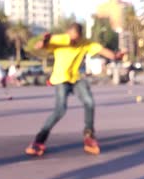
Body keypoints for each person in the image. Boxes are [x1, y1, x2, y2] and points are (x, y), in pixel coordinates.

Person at [25, 23, 124, 156]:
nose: (73, 41)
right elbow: (43, 44)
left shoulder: (85, 43)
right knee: (60, 110)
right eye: (71, 38)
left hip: (75, 78)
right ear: (67, 34)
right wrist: (42, 42)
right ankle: (38, 141)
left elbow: (103, 51)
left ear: (80, 36)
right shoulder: (60, 39)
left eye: (76, 39)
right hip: (61, 79)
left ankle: (89, 135)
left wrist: (116, 56)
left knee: (89, 102)